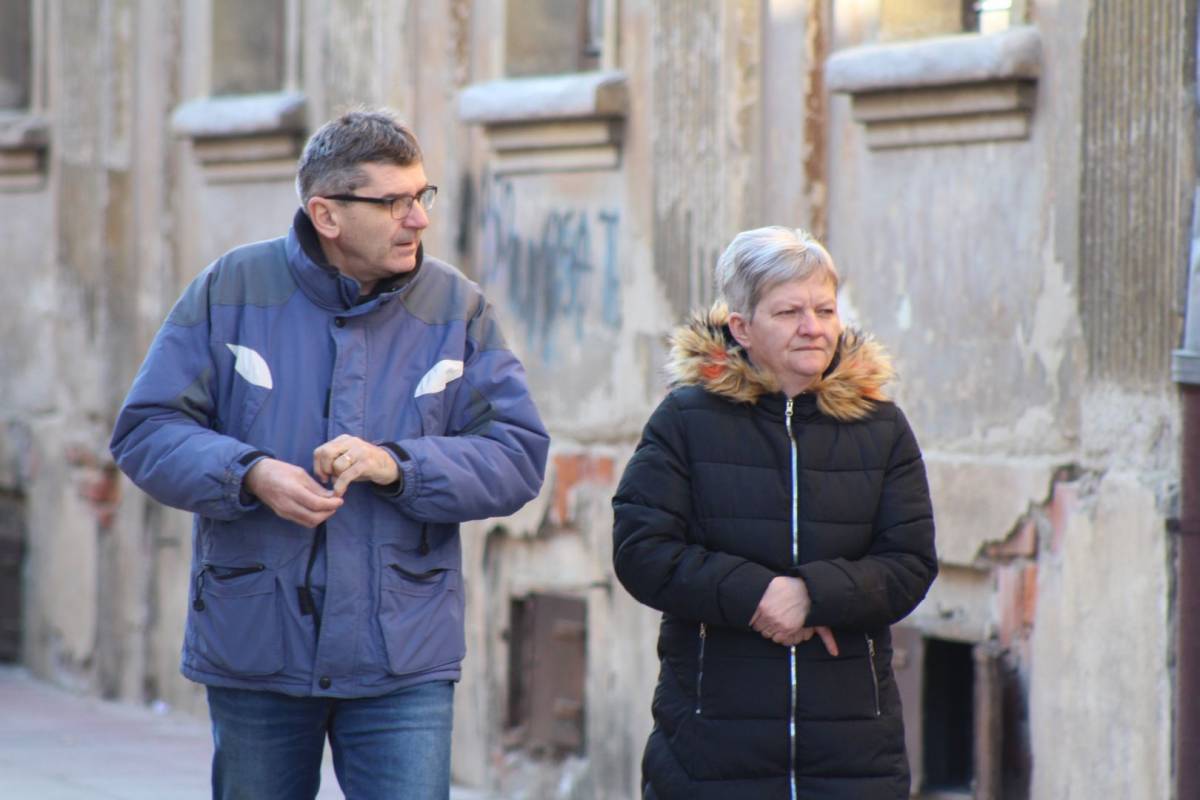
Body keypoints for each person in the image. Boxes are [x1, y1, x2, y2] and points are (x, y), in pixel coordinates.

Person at [110, 108, 549, 799]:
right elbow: (147, 430)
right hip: (258, 643)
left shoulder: (456, 307)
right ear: (327, 214)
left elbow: (517, 453)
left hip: (401, 656)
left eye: (422, 196)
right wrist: (249, 473)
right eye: (394, 202)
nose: (418, 219)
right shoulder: (233, 289)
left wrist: (399, 466)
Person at [612, 226, 937, 799]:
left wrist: (813, 595)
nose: (813, 327)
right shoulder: (685, 420)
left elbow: (910, 562)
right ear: (741, 327)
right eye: (789, 312)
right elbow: (642, 550)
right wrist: (759, 595)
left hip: (853, 756)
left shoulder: (881, 426)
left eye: (824, 310)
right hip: (711, 753)